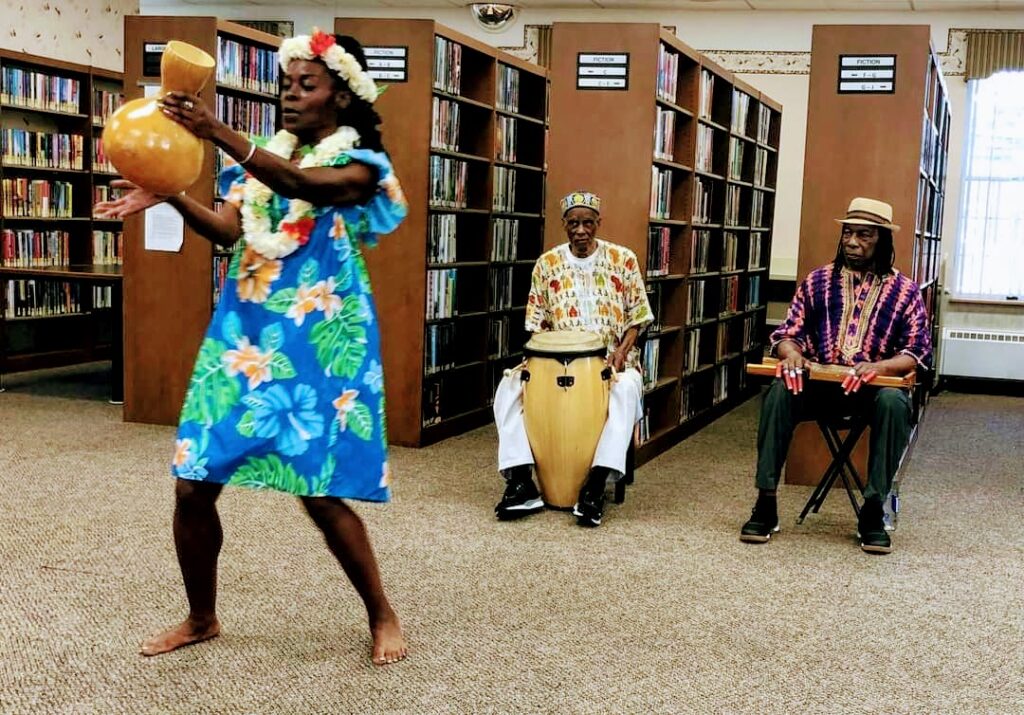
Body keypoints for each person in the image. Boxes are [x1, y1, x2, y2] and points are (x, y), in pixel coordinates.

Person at [95, 29, 409, 664]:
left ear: (342, 97)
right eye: (286, 84)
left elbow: (307, 186)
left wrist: (218, 135)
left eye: (307, 85)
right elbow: (227, 232)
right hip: (244, 334)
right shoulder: (264, 158)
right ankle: (201, 617)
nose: (290, 96)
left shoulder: (362, 167)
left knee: (318, 489)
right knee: (192, 480)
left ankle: (382, 613)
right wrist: (170, 193)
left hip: (317, 335)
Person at [739, 197, 932, 554]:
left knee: (894, 402)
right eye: (847, 233)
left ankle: (873, 510)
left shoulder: (905, 292)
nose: (853, 242)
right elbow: (786, 333)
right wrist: (792, 353)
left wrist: (879, 367)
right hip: (818, 386)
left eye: (864, 235)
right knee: (779, 390)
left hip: (871, 391)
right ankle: (765, 502)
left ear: (883, 241)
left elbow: (916, 352)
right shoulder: (816, 282)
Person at [492, 191, 654, 527]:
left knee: (625, 391)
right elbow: (535, 326)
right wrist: (530, 363)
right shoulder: (546, 264)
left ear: (598, 223)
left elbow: (638, 317)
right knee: (507, 389)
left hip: (612, 360)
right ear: (564, 225)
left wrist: (622, 353)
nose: (581, 230)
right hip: (555, 362)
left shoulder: (623, 260)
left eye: (588, 223)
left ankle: (597, 482)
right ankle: (521, 479)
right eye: (574, 223)